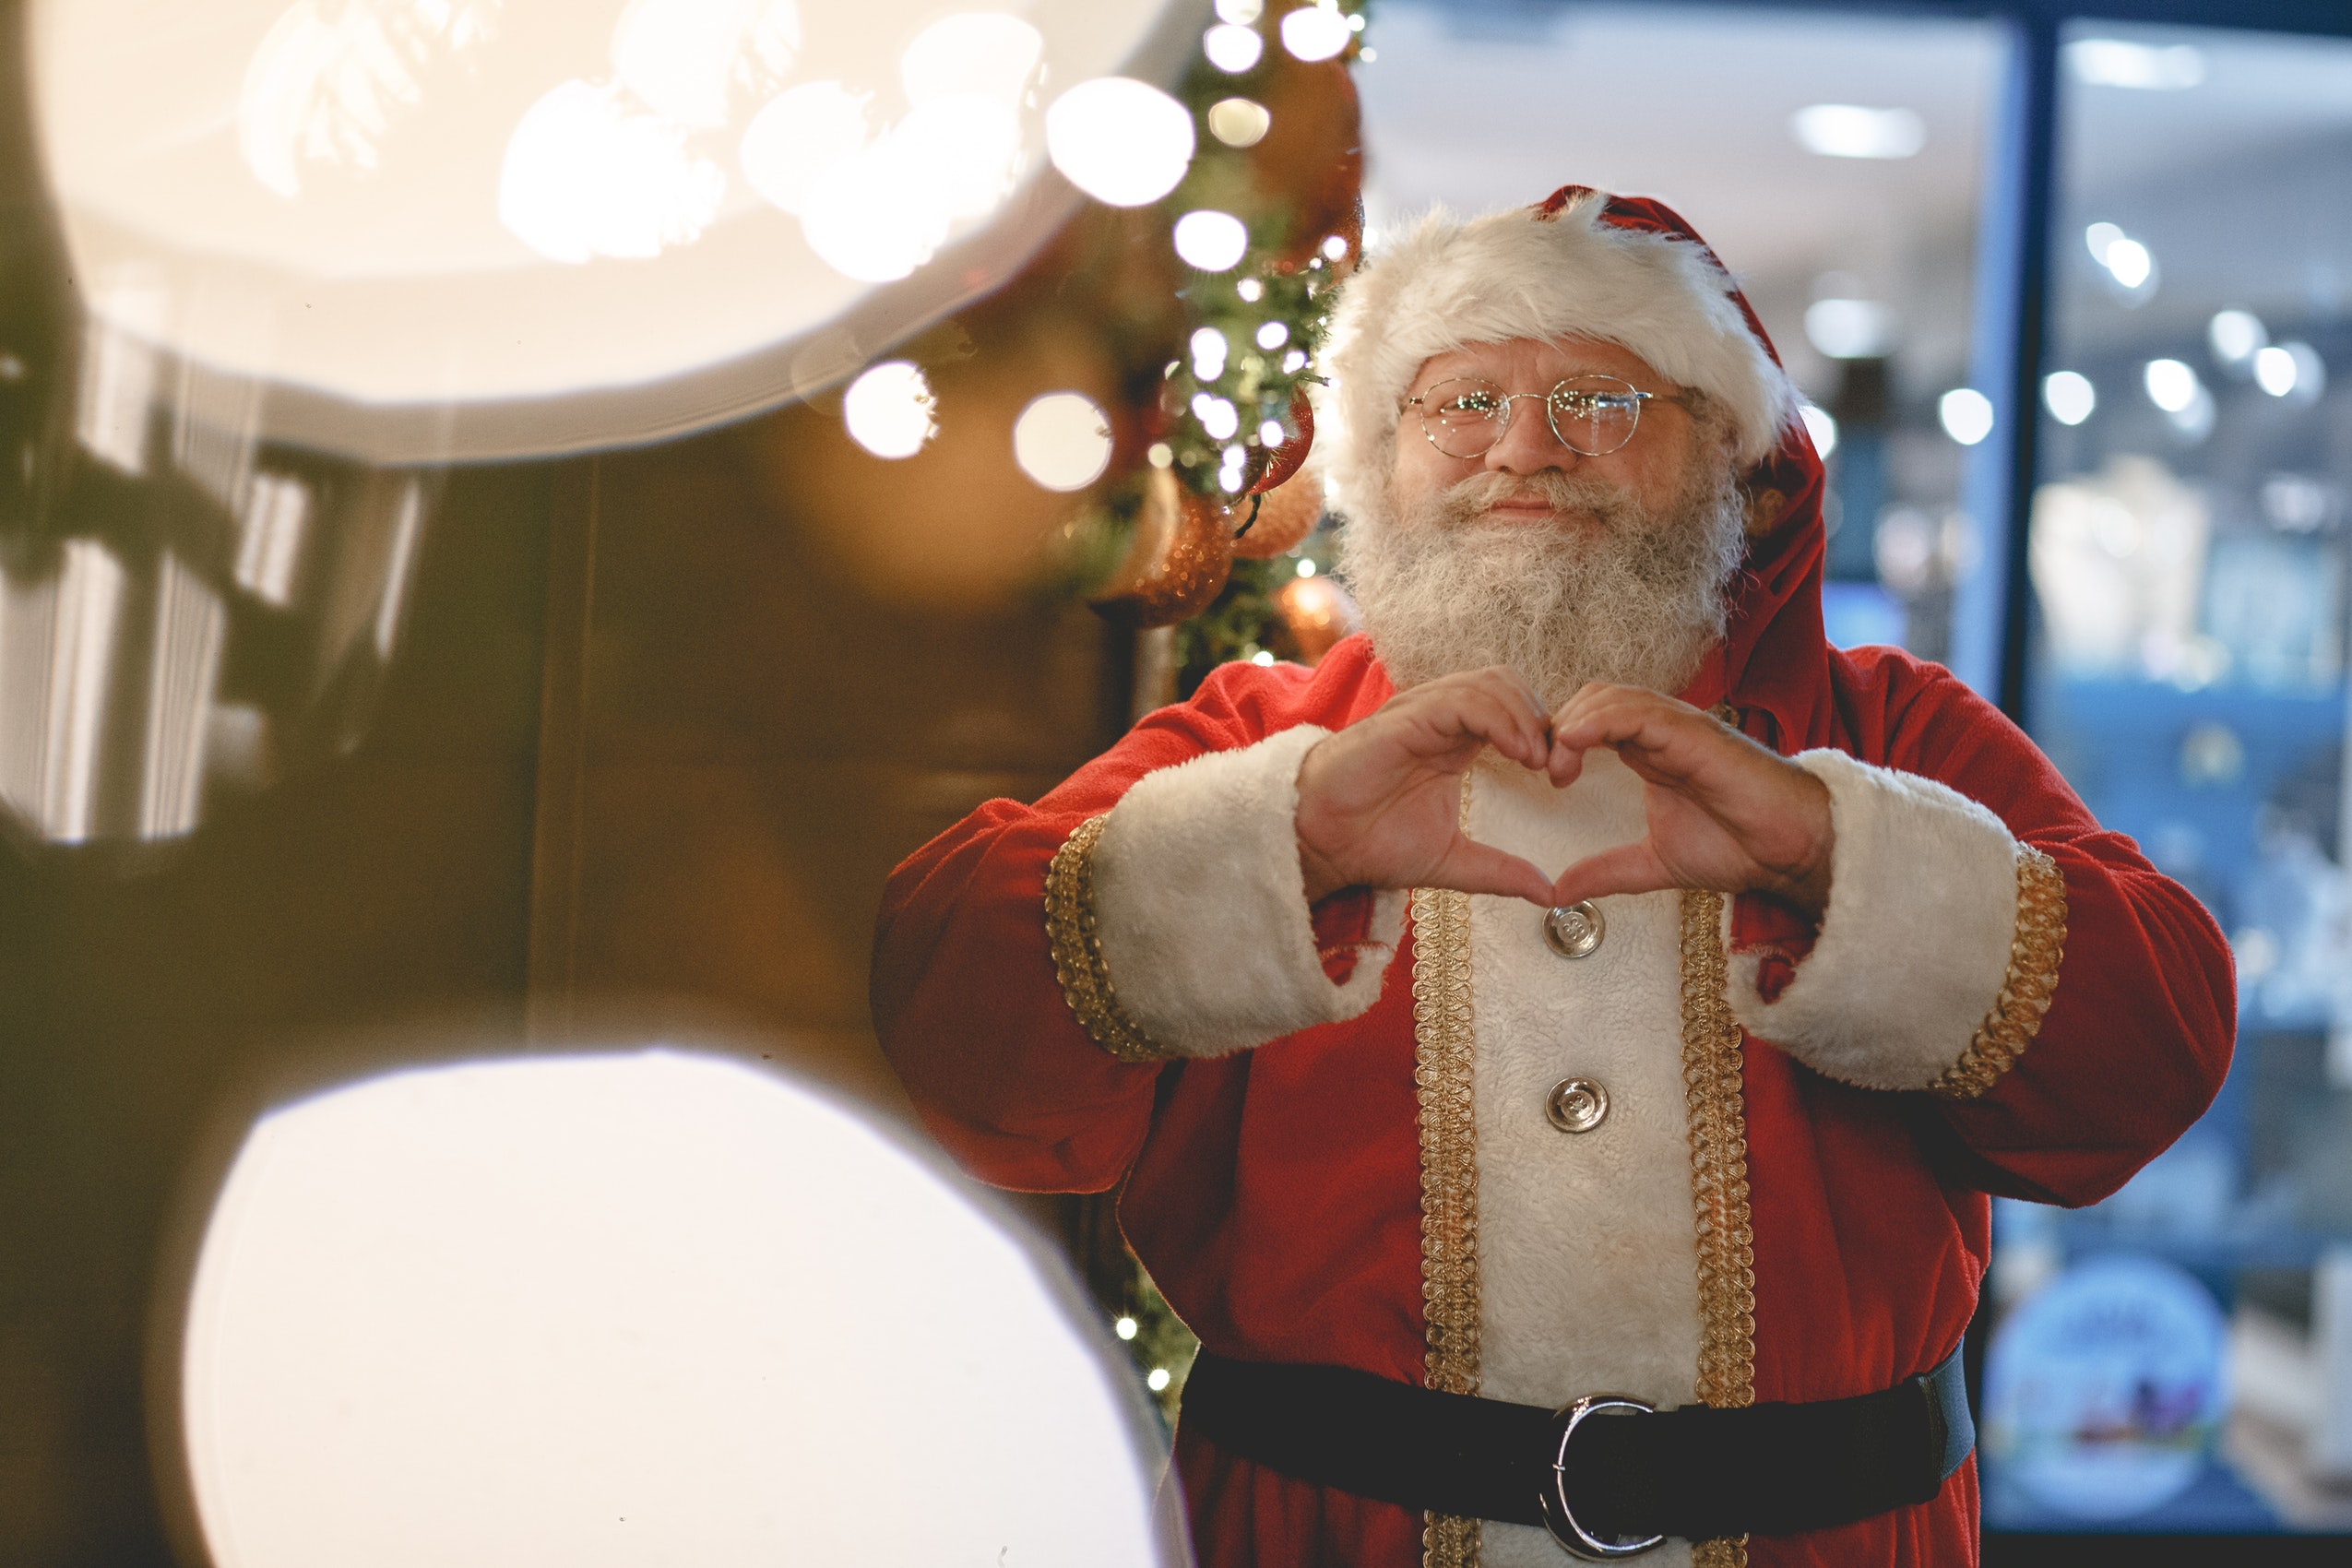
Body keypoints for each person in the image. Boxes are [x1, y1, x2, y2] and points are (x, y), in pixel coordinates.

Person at [870, 187, 2234, 1568]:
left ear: (1737, 465)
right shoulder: (1255, 741)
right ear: (1384, 464)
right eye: (1457, 403)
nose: (1521, 449)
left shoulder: (1889, 732)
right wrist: (1279, 847)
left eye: (1597, 400)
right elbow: (956, 1039)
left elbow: (2152, 1057)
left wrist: (1832, 854)